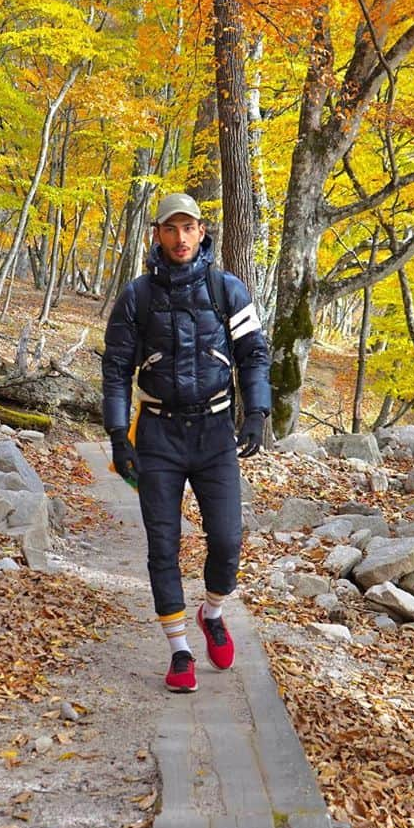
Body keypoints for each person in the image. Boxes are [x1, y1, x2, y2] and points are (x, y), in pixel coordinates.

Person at [101, 192, 271, 693]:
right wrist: (117, 435)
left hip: (216, 433)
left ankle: (212, 612)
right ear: (157, 234)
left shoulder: (228, 291)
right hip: (158, 435)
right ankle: (179, 652)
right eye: (170, 229)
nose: (180, 238)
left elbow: (254, 355)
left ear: (202, 232)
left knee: (227, 540)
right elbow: (115, 370)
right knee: (163, 545)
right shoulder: (137, 297)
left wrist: (257, 412)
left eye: (188, 228)